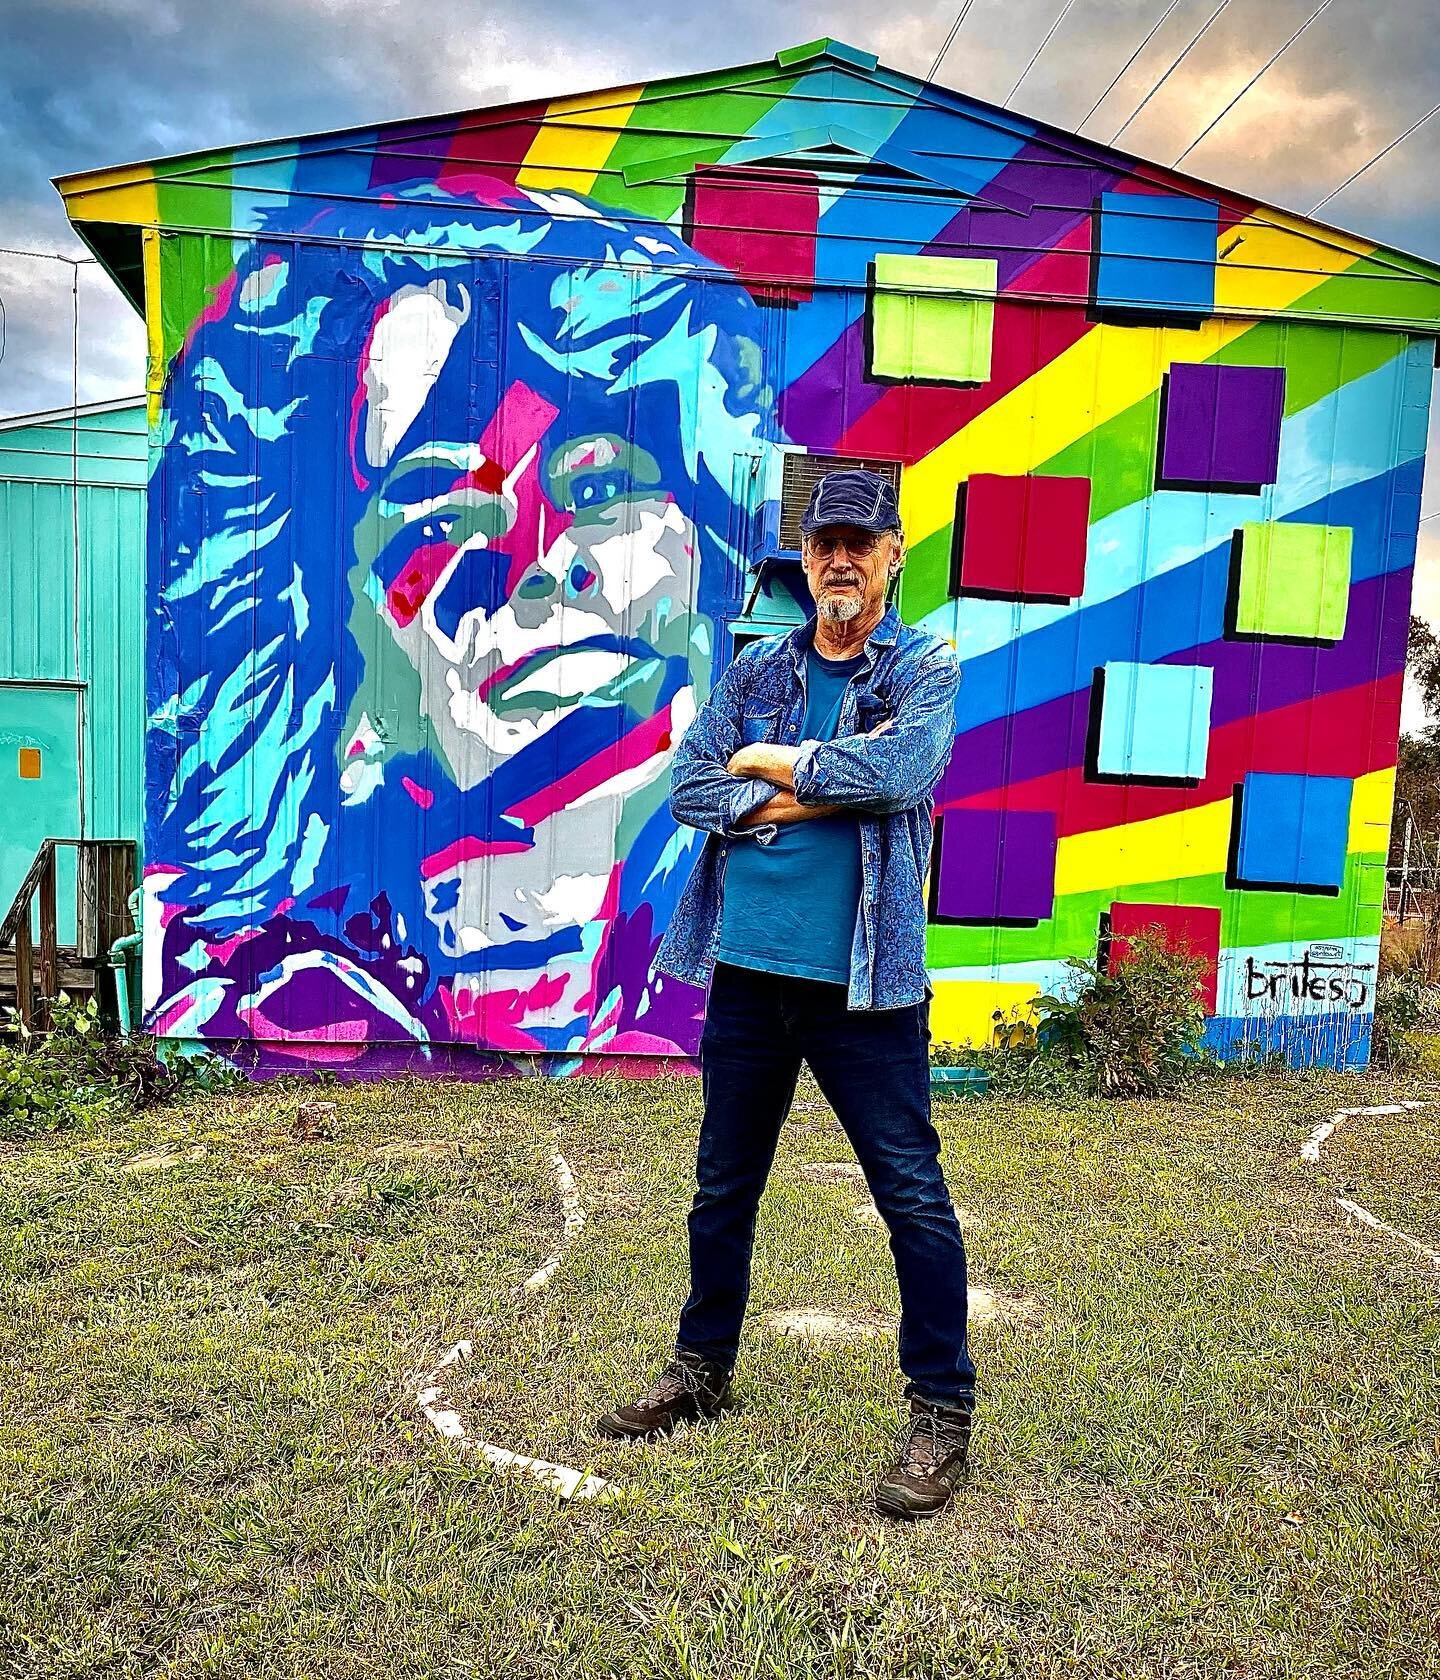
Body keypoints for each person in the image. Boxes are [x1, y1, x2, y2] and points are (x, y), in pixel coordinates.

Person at [143, 180, 774, 1065]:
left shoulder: (751, 960)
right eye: (442, 523)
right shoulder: (285, 1004)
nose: (547, 568)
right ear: (353, 682)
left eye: (599, 488)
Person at [598, 468, 976, 1521]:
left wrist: (766, 769)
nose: (841, 560)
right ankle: (701, 1370)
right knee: (723, 1187)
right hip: (748, 971)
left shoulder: (924, 666)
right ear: (802, 560)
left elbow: (902, 771)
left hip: (866, 985)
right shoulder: (759, 664)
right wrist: (808, 786)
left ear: (896, 552)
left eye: (862, 541)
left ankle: (941, 1410)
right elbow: (688, 788)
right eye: (825, 545)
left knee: (910, 1196)